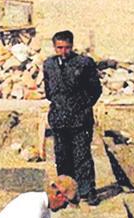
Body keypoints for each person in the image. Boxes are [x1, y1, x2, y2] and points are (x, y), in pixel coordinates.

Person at [43, 30, 102, 207]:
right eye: (59, 48)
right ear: (54, 47)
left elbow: (95, 90)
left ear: (72, 46)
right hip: (59, 119)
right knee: (62, 158)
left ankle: (87, 192)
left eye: (67, 47)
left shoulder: (84, 63)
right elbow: (49, 91)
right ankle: (67, 194)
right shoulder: (49, 65)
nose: (63, 52)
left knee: (82, 156)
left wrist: (81, 106)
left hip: (80, 119)